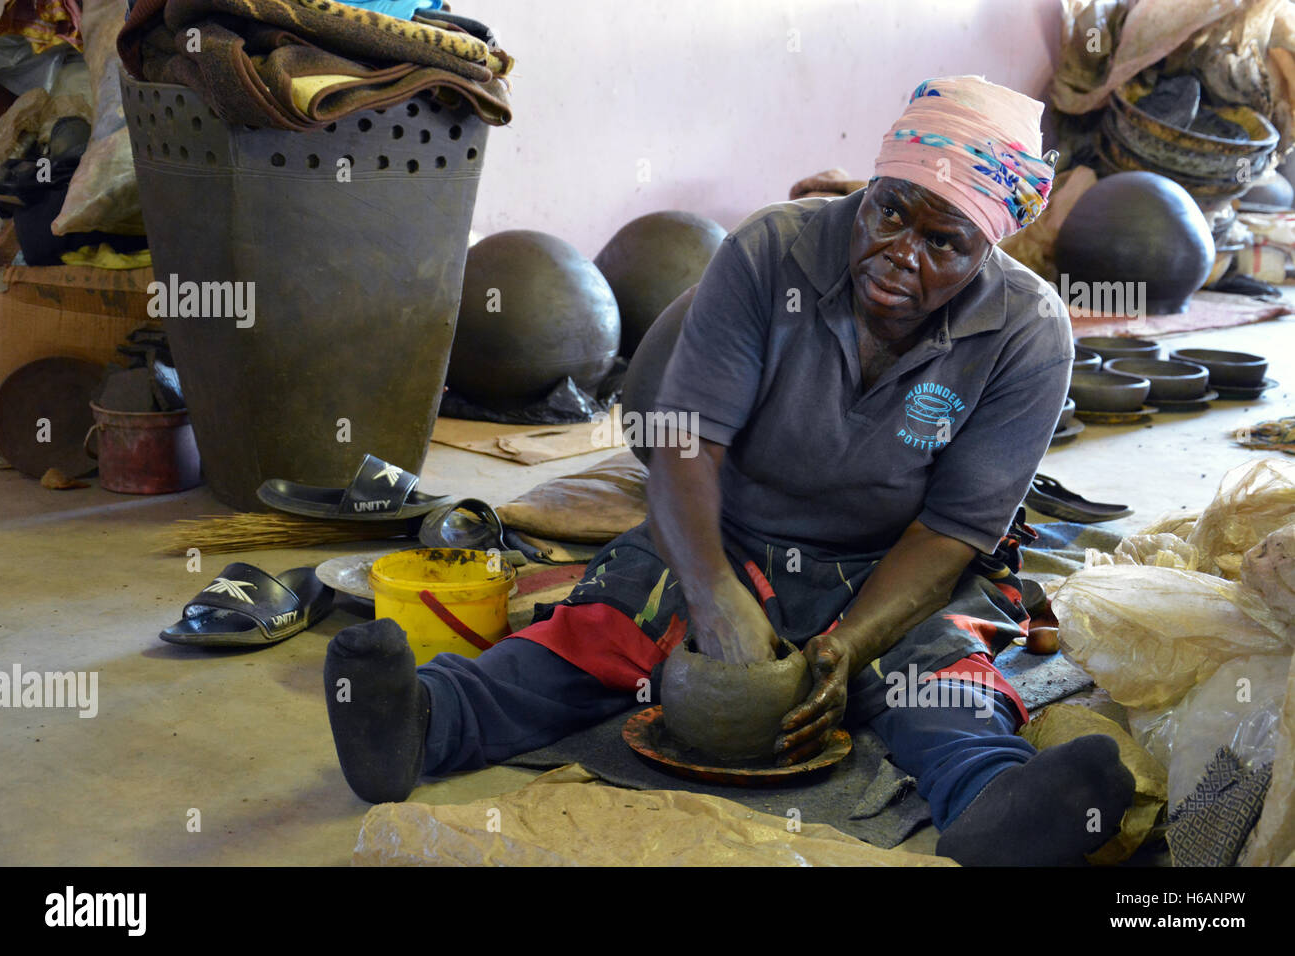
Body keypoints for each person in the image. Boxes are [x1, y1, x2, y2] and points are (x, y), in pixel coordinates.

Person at [324, 75, 1135, 866]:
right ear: (875, 183)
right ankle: (425, 720)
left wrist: (847, 647)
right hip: (735, 531)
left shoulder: (1028, 332)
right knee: (611, 627)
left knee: (937, 681)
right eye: (888, 211)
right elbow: (682, 443)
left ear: (990, 245)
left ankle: (994, 802)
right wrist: (713, 593)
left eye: (942, 243)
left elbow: (952, 531)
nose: (896, 253)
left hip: (893, 567)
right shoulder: (771, 252)